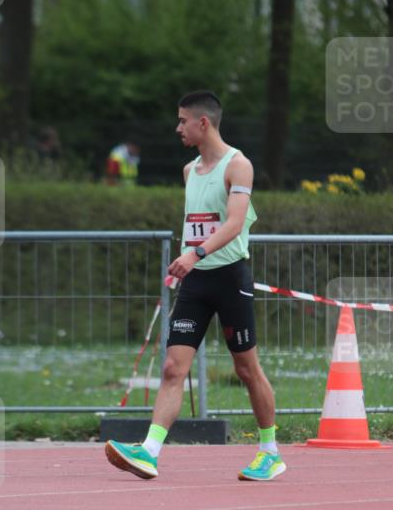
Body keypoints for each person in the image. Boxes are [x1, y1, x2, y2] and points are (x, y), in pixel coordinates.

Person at [105, 90, 285, 483]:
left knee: (246, 367)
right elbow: (197, 222)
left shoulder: (239, 166)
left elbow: (235, 223)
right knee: (173, 367)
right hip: (196, 282)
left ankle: (270, 451)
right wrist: (188, 262)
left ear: (203, 123)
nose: (178, 128)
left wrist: (194, 254)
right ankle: (149, 452)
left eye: (183, 120)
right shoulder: (189, 171)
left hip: (230, 277)